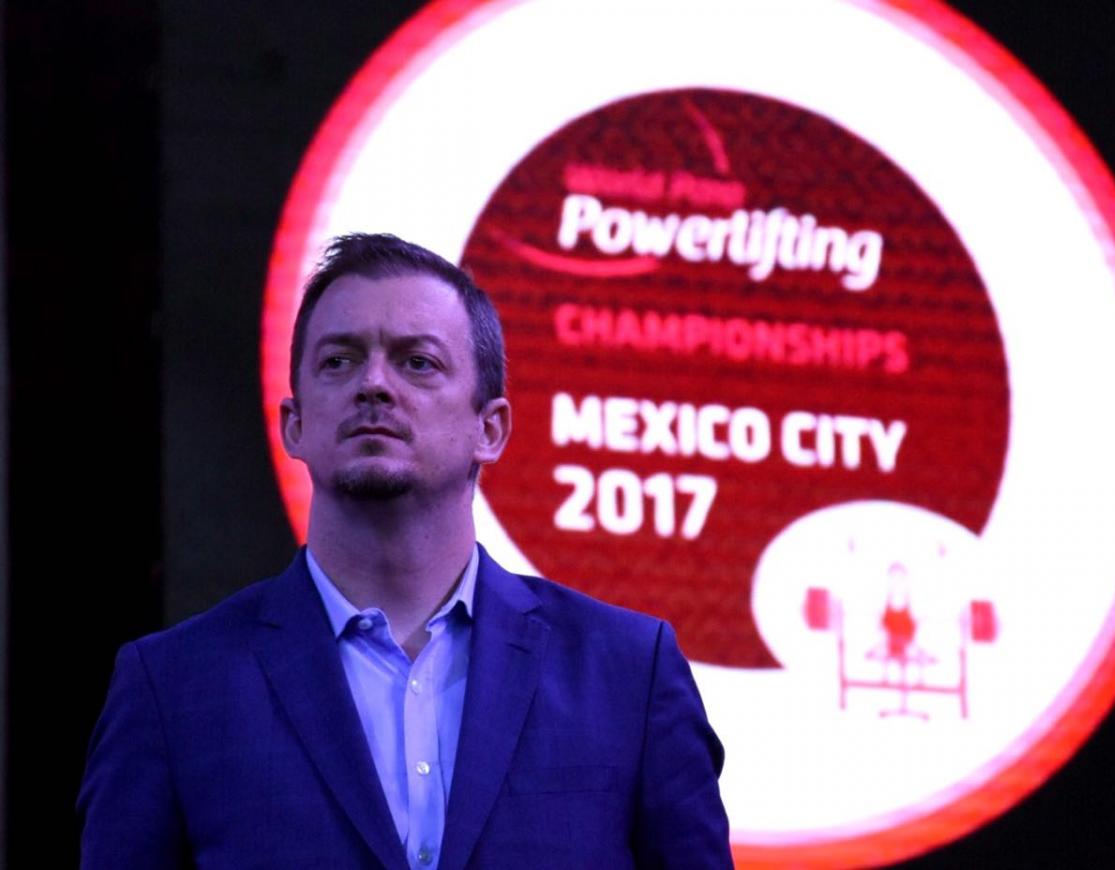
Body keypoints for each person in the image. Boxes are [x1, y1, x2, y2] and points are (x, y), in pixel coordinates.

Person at [77, 233, 732, 869]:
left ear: (491, 428)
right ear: (295, 425)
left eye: (417, 361)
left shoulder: (627, 675)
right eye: (339, 360)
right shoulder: (171, 688)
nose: (373, 385)